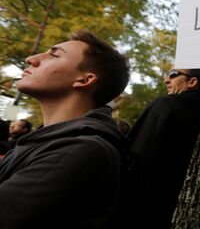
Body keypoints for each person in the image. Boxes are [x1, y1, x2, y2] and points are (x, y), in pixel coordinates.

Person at [0, 31, 129, 228]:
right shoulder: (41, 142)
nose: (31, 59)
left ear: (85, 80)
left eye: (54, 55)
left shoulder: (81, 150)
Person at [116, 68, 200, 228]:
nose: (167, 79)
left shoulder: (166, 104)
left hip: (143, 203)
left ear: (192, 82)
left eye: (173, 75)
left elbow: (137, 153)